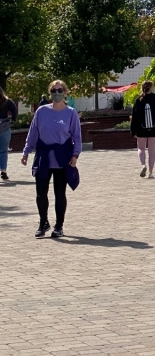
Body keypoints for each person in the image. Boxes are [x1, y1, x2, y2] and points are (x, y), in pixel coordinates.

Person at [21, 80, 81, 238]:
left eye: (60, 90)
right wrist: (26, 152)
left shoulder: (71, 113)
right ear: (50, 93)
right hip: (43, 157)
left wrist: (75, 155)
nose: (57, 93)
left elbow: (77, 137)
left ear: (65, 92)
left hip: (62, 158)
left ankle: (59, 226)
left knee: (59, 193)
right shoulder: (41, 111)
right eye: (53, 91)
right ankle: (43, 223)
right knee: (41, 193)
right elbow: (33, 133)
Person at [130, 80, 155, 178]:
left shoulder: (138, 100)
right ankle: (151, 172)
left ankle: (143, 165)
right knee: (151, 150)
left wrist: (133, 130)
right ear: (151, 88)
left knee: (141, 148)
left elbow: (134, 116)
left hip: (141, 129)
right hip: (154, 129)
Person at [0, 86, 18, 182]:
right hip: (4, 126)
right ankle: (3, 170)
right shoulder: (7, 101)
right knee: (3, 151)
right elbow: (14, 110)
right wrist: (13, 121)